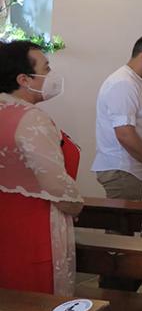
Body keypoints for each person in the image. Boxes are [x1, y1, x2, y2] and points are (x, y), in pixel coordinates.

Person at [0, 41, 82, 296]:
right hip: (34, 224)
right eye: (46, 68)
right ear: (24, 79)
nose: (51, 74)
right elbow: (54, 182)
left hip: (7, 220)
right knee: (36, 296)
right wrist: (76, 204)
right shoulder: (31, 118)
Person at [92, 34, 142, 200]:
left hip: (131, 168)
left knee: (126, 223)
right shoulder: (123, 83)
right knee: (121, 224)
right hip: (122, 168)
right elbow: (125, 134)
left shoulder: (137, 82)